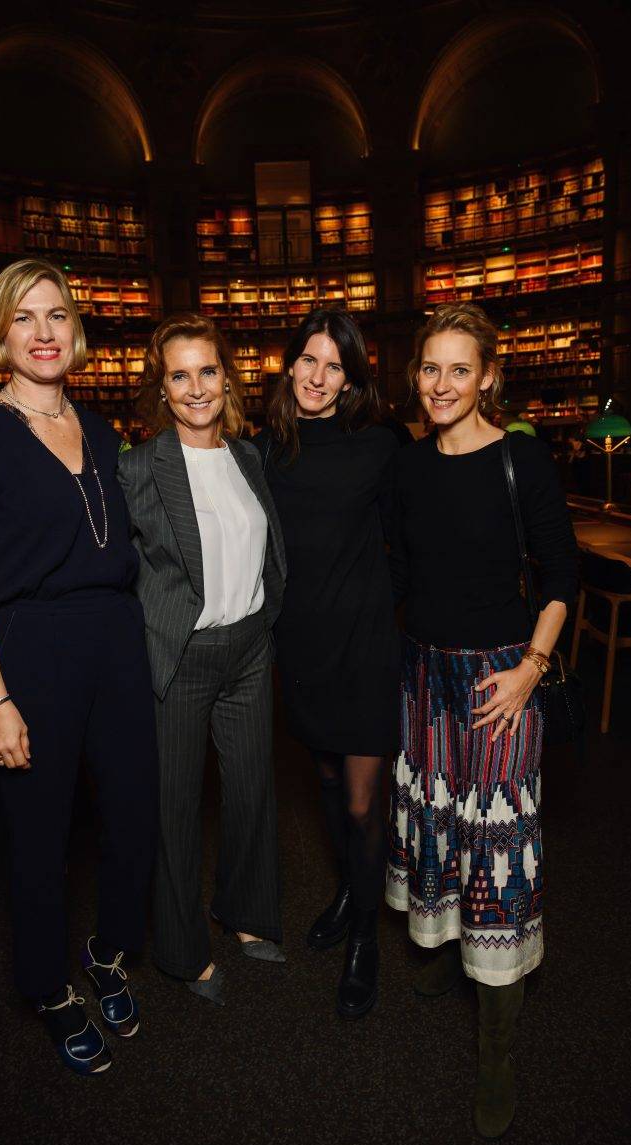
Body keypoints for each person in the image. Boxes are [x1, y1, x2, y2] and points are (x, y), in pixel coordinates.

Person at [0, 258, 158, 1075]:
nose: (43, 333)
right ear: (0, 334)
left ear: (77, 331)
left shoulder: (100, 430)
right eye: (24, 317)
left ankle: (106, 953)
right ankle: (47, 985)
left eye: (57, 315)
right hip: (31, 650)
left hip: (116, 641)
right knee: (39, 835)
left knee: (134, 815)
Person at [386, 303, 577, 1138]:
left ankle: (496, 1049)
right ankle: (453, 954)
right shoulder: (409, 465)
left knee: (499, 852)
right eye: (430, 367)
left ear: (489, 377)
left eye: (459, 369)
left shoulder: (523, 459)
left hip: (502, 681)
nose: (441, 384)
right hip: (425, 679)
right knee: (443, 832)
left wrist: (530, 671)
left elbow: (564, 576)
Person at [118, 313, 286, 1007]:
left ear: (227, 377)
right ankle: (183, 953)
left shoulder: (250, 456)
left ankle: (245, 913)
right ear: (161, 386)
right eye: (179, 375)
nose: (195, 388)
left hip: (249, 648)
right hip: (181, 657)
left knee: (250, 793)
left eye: (207, 371)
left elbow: (268, 550)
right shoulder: (137, 466)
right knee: (177, 806)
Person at [254, 307, 399, 1019]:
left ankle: (365, 941)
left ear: (351, 379)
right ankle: (349, 888)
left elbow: (421, 530)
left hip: (367, 646)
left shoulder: (379, 445)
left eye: (333, 365)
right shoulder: (265, 449)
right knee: (325, 779)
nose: (317, 376)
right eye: (308, 360)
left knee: (365, 801)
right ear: (289, 366)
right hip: (301, 647)